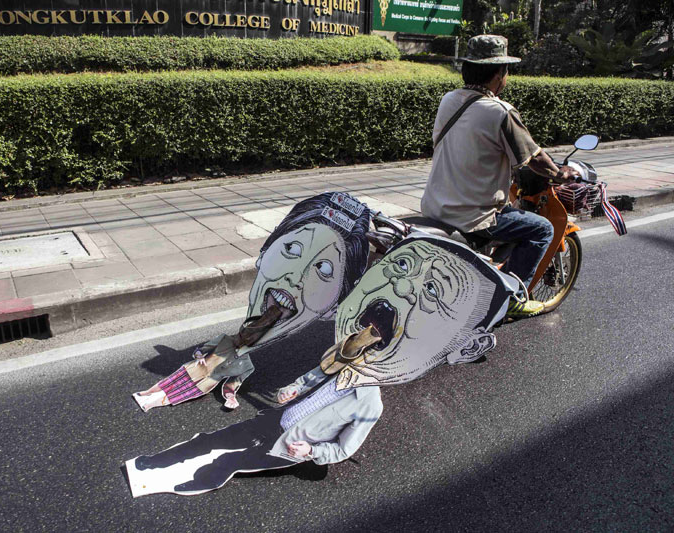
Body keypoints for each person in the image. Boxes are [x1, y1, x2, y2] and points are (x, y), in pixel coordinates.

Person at [134, 192, 371, 410]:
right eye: (292, 248)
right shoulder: (226, 343)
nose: (294, 278)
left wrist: (230, 397)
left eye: (324, 268)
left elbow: (232, 385)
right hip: (191, 375)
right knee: (164, 391)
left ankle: (149, 401)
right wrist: (200, 357)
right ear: (265, 252)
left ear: (334, 307)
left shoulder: (244, 363)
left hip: (199, 384)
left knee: (168, 395)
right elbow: (206, 352)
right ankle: (147, 398)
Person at [420, 34, 579, 318]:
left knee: (508, 211)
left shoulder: (449, 100)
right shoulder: (500, 112)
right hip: (472, 216)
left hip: (434, 206)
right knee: (541, 229)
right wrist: (560, 173)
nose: (506, 77)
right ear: (498, 75)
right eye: (506, 71)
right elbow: (534, 158)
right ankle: (512, 298)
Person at [124, 367, 382, 497]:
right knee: (210, 440)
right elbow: (305, 382)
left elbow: (345, 449)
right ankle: (156, 462)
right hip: (274, 419)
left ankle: (203, 480)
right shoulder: (339, 364)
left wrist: (312, 450)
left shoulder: (370, 403)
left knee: (229, 461)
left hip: (290, 445)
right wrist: (288, 390)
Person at [323, 232, 518, 390]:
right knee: (541, 230)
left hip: (442, 209)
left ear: (469, 347)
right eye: (402, 264)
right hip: (476, 220)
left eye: (432, 291)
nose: (401, 287)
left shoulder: (367, 408)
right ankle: (520, 294)